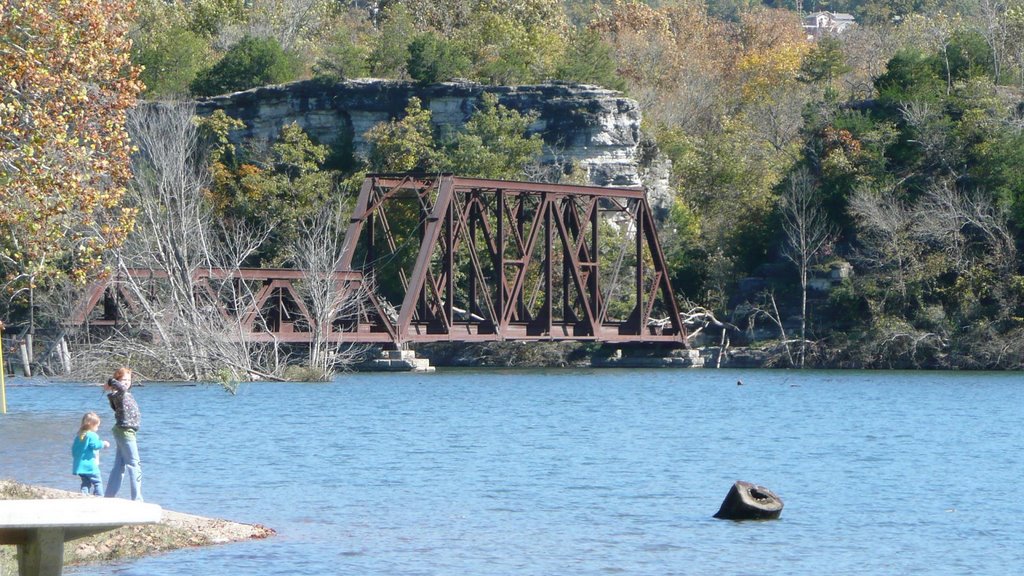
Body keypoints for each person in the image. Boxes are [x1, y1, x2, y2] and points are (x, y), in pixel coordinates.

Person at [103, 366, 143, 501]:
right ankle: (137, 499)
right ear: (118, 381)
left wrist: (113, 383)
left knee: (119, 466)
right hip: (125, 432)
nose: (127, 382)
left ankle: (109, 496)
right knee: (134, 464)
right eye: (123, 379)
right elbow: (122, 388)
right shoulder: (119, 393)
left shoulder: (122, 393)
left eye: (129, 379)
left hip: (124, 431)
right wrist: (111, 381)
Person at [71, 412, 109, 495]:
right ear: (91, 425)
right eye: (97, 426)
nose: (98, 428)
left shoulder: (79, 435)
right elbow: (95, 445)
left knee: (86, 482)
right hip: (89, 466)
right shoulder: (92, 435)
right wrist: (103, 443)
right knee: (97, 482)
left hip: (79, 466)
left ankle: (84, 495)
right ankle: (99, 496)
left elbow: (74, 450)